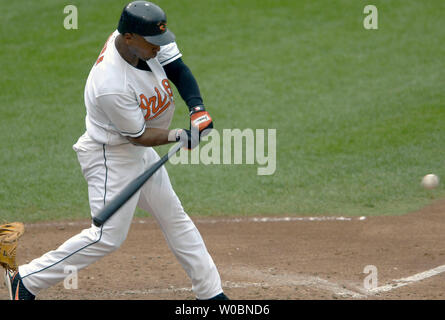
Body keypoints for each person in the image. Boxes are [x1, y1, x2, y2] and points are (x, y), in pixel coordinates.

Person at [4, 1, 228, 300]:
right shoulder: (111, 83)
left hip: (135, 153)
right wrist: (180, 135)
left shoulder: (141, 44)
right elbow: (138, 136)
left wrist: (197, 109)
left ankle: (211, 294)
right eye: (152, 43)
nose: (158, 49)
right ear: (129, 38)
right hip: (111, 156)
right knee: (106, 237)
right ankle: (27, 280)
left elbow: (178, 69)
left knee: (174, 216)